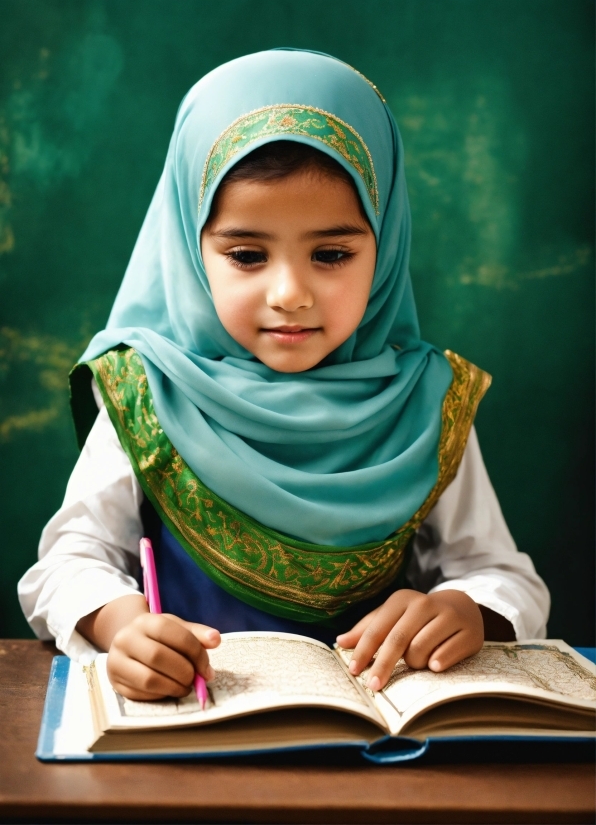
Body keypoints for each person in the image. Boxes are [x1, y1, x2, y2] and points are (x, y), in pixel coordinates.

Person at [18, 49, 549, 701]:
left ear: (385, 247)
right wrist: (120, 625)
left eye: (331, 254)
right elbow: (67, 564)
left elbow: (504, 576)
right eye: (246, 254)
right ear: (190, 246)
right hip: (190, 743)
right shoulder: (149, 391)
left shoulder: (427, 403)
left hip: (385, 763)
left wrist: (468, 608)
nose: (291, 293)